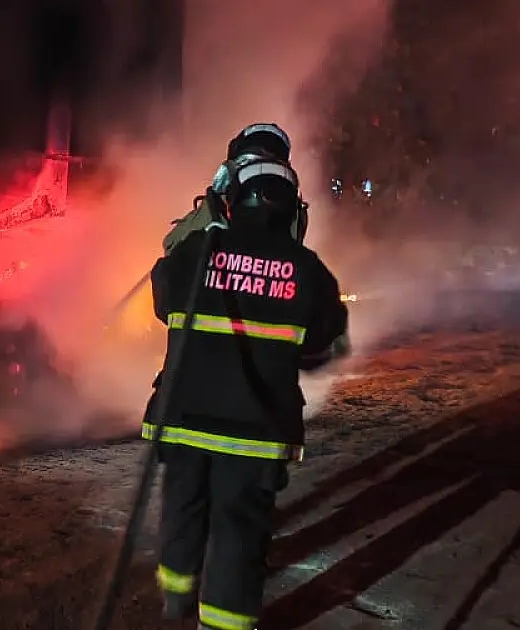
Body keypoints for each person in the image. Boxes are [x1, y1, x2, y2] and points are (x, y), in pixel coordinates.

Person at [144, 149, 349, 629]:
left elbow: (161, 299)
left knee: (182, 513)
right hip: (252, 433)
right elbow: (323, 343)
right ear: (293, 209)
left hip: (183, 421)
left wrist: (205, 233)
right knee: (238, 535)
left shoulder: (197, 252)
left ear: (229, 201)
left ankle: (176, 606)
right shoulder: (307, 269)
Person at [163, 123, 293, 255]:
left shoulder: (289, 211)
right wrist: (215, 203)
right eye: (248, 163)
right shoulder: (215, 206)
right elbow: (173, 250)